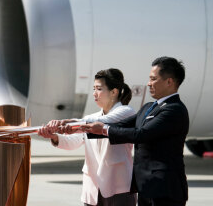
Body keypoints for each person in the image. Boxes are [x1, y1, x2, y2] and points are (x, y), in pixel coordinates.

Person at [79, 57, 189, 206]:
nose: (149, 83)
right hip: (145, 187)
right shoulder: (149, 107)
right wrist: (80, 127)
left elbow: (141, 134)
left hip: (165, 188)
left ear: (169, 81)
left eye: (153, 79)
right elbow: (121, 125)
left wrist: (103, 129)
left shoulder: (174, 109)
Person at [38, 69, 137, 206]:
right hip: (92, 188)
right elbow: (73, 142)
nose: (94, 93)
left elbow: (103, 122)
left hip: (119, 188)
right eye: (94, 89)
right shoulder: (89, 119)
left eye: (99, 89)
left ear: (114, 92)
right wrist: (54, 136)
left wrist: (66, 122)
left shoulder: (126, 112)